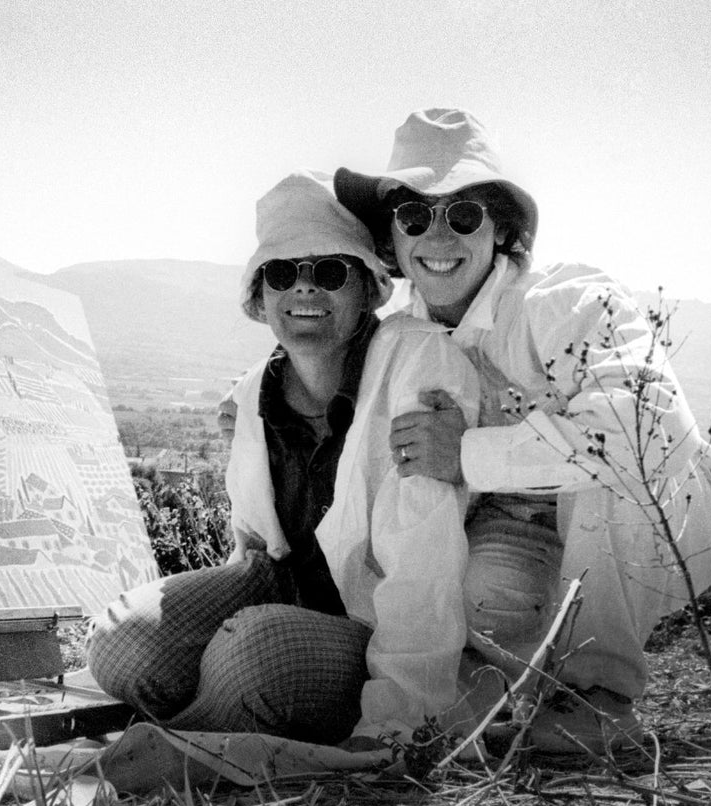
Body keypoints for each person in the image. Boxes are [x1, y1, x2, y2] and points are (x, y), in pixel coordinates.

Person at [334, 108, 711, 751]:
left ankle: (602, 700)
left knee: (609, 466)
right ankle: (514, 698)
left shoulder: (566, 303)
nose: (438, 236)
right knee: (473, 596)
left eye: (463, 214)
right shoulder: (408, 341)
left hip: (658, 523)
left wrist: (465, 454)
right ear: (393, 238)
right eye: (414, 216)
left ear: (500, 231)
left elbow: (642, 435)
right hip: (521, 530)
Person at [87, 170, 481, 747]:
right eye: (281, 273)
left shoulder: (419, 366)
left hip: (372, 627)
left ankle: (185, 743)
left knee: (254, 653)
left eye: (329, 272)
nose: (304, 290)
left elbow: (425, 568)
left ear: (369, 288)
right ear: (260, 295)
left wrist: (398, 720)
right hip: (279, 594)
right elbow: (252, 540)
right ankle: (231, 720)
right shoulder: (255, 395)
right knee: (121, 642)